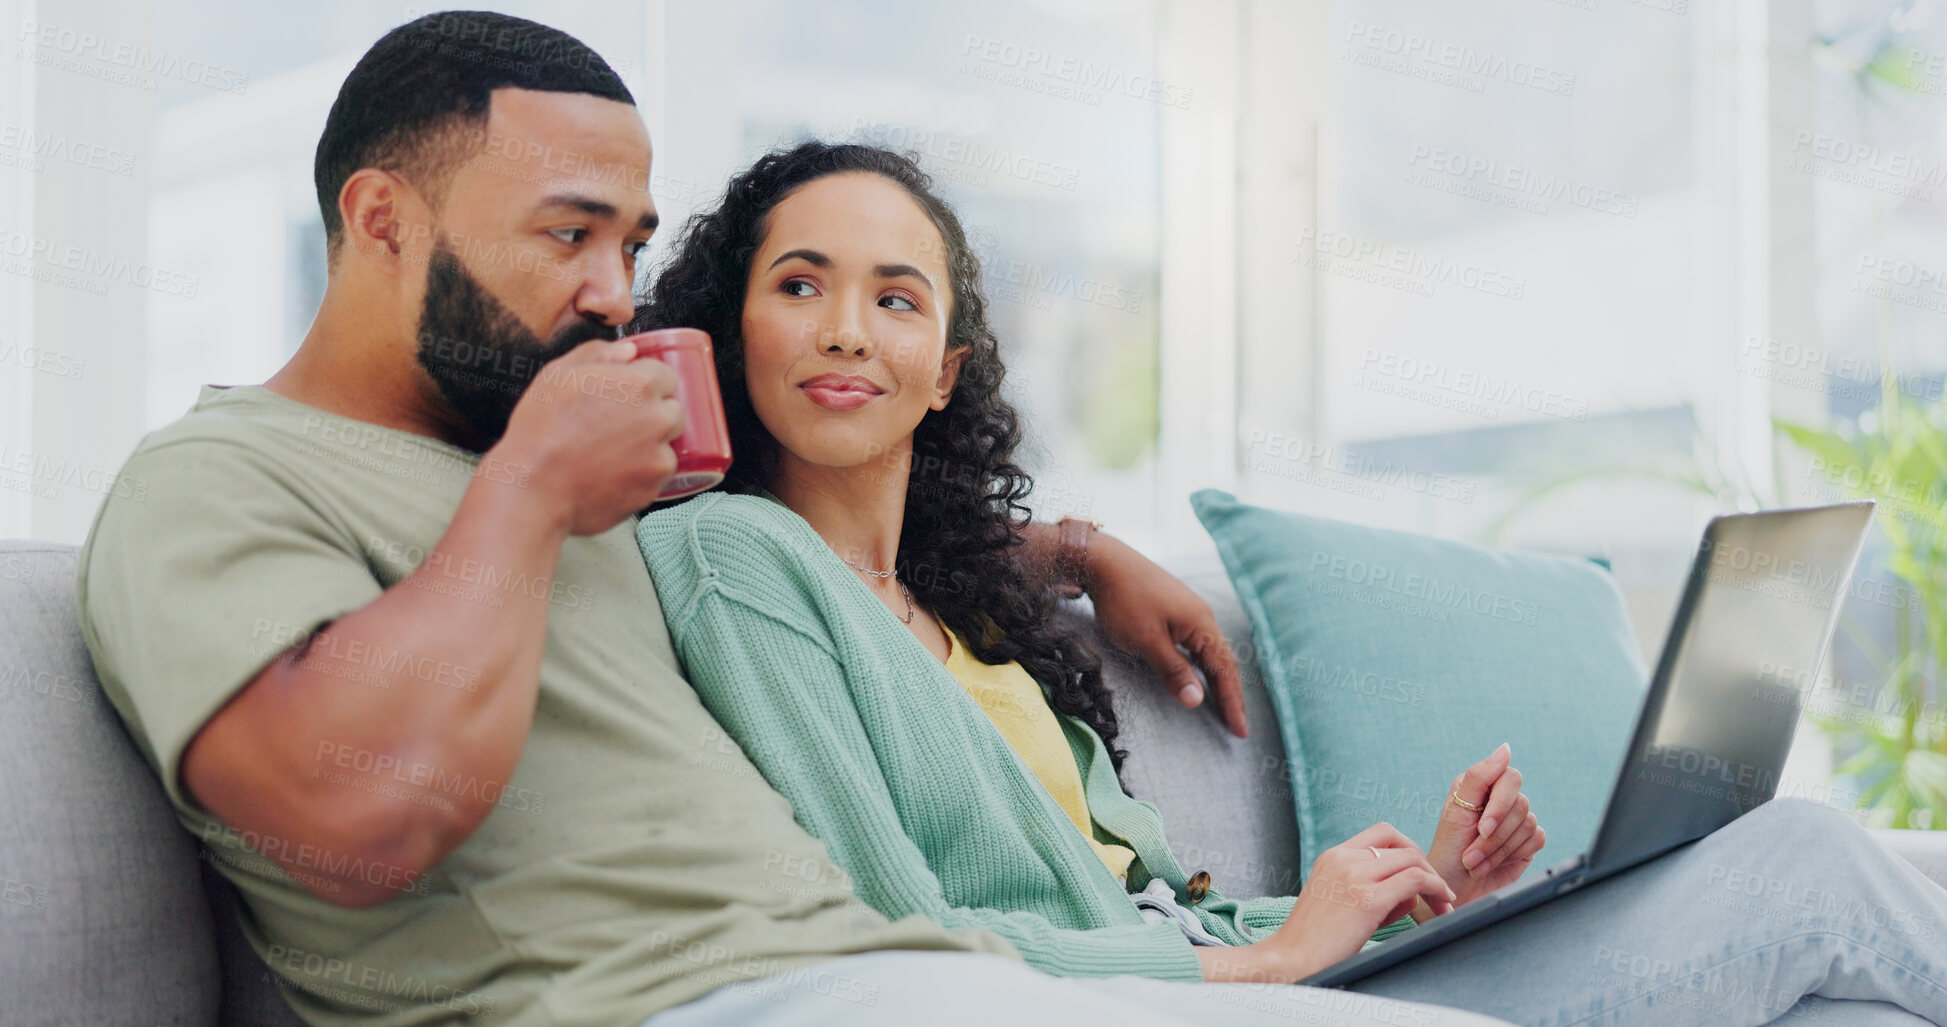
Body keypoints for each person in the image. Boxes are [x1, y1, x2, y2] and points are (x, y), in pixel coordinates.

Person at [77, 12, 1501, 1027]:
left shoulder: (598, 499)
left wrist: (1067, 553)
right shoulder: (220, 482)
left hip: (880, 977)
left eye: (632, 246)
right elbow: (352, 821)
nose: (614, 295)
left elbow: (805, 568)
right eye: (568, 235)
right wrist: (527, 493)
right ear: (381, 220)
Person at [629, 140, 1947, 1026]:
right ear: (730, 326)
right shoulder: (736, 561)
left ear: (948, 370)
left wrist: (1407, 901)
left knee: (1841, 986)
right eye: (800, 284)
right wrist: (1272, 957)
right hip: (1183, 996)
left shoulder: (965, 612)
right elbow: (889, 935)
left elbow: (1129, 900)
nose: (849, 327)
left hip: (1251, 972)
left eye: (896, 299)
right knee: (1808, 862)